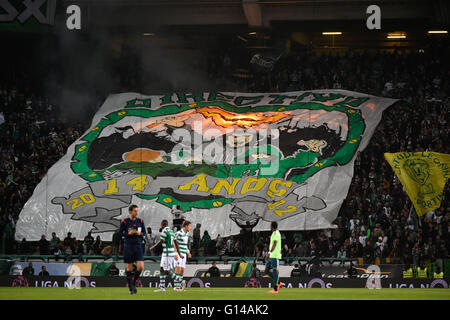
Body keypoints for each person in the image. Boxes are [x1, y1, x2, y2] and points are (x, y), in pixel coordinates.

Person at [119, 204, 147, 295]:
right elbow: (120, 234)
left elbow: (144, 233)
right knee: (129, 268)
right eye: (135, 211)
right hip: (128, 246)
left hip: (138, 246)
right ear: (130, 211)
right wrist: (128, 234)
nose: (137, 212)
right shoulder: (125, 221)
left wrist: (140, 234)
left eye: (137, 211)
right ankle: (131, 288)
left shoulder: (141, 221)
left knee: (141, 267)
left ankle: (133, 282)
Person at [150, 219, 181, 292]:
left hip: (167, 253)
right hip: (168, 253)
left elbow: (161, 241)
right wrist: (178, 253)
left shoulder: (164, 231)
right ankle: (162, 288)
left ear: (163, 225)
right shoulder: (171, 231)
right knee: (161, 269)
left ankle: (179, 280)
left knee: (166, 271)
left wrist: (153, 247)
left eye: (161, 225)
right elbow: (176, 242)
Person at [265, 221, 284, 294]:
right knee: (266, 270)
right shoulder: (274, 233)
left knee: (275, 270)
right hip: (272, 256)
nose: (269, 227)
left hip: (274, 255)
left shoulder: (276, 233)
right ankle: (279, 282)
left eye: (270, 225)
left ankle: (275, 289)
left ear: (272, 226)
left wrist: (269, 253)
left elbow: (275, 244)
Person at [174, 220, 192, 291]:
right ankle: (176, 286)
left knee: (182, 270)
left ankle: (180, 286)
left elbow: (185, 245)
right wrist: (175, 253)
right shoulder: (178, 233)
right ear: (186, 226)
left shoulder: (187, 234)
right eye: (190, 226)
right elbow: (174, 243)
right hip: (178, 254)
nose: (190, 227)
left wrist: (188, 252)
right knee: (178, 269)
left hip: (184, 254)